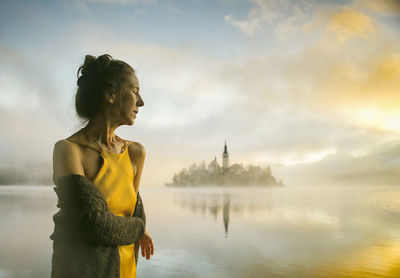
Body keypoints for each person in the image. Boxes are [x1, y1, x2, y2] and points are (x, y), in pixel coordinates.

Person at [50, 54, 154, 277]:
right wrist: (138, 230)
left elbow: (133, 215)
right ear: (109, 94)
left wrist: (138, 226)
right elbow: (91, 223)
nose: (141, 101)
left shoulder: (136, 153)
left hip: (126, 269)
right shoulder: (68, 150)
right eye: (134, 91)